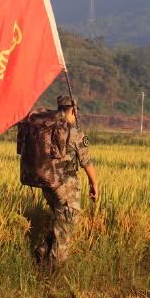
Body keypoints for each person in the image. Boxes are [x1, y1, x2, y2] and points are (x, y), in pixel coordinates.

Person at [33, 94, 99, 272]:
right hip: (66, 186)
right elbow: (86, 163)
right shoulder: (74, 133)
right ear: (72, 110)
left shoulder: (46, 129)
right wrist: (95, 185)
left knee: (59, 220)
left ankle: (42, 249)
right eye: (76, 111)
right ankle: (54, 271)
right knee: (66, 227)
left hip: (48, 184)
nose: (76, 115)